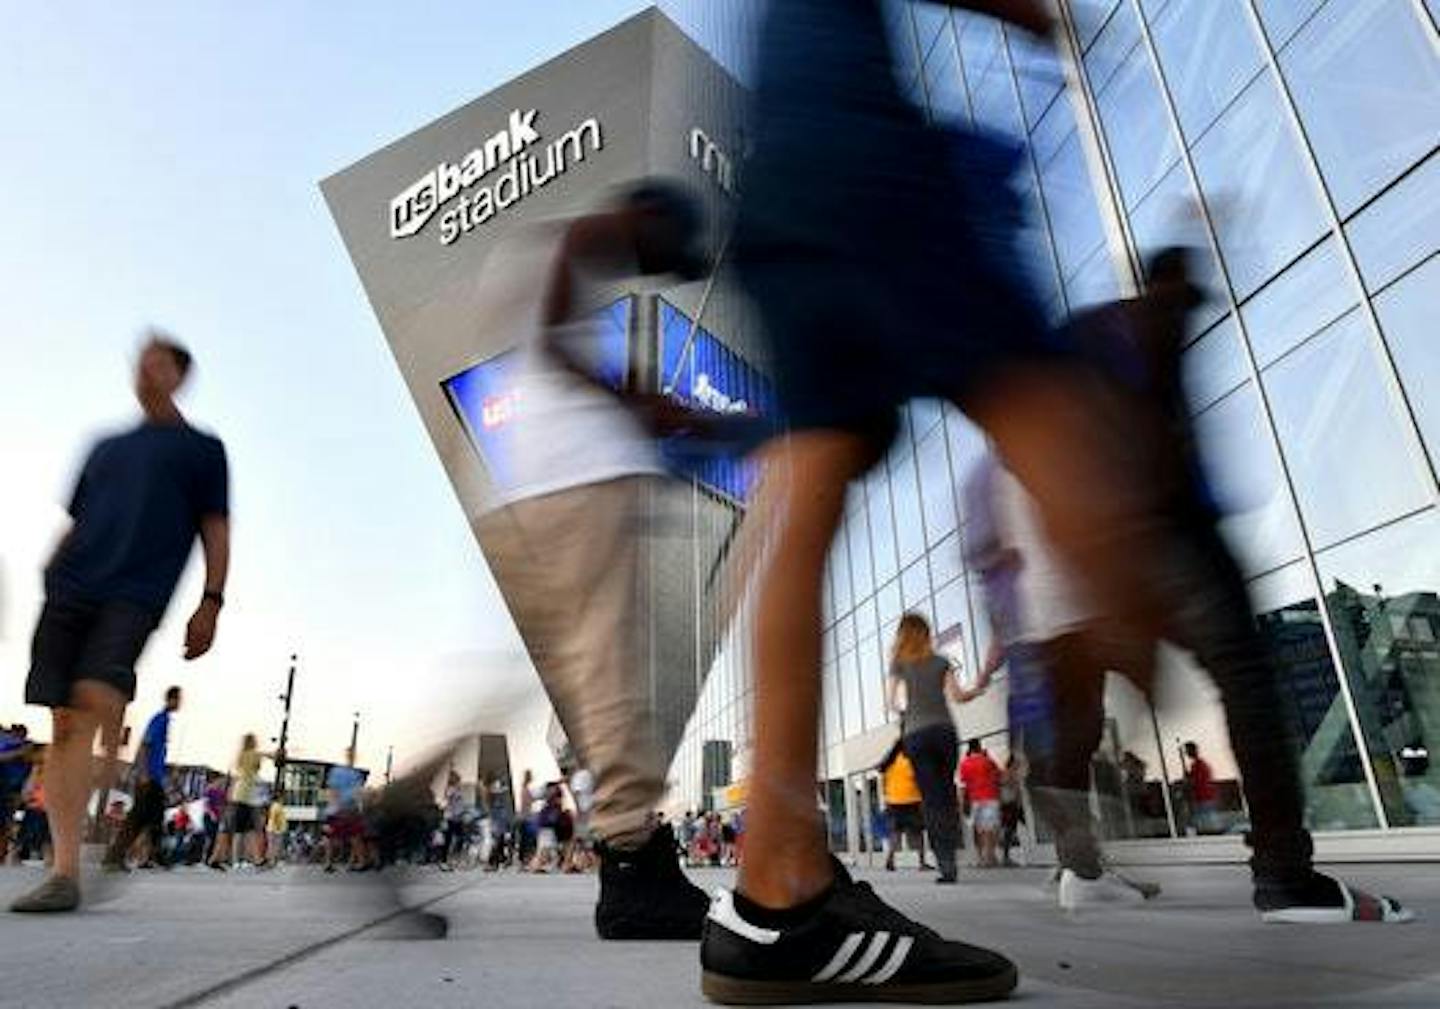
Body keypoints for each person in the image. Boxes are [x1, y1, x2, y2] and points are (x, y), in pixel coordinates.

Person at [469, 181, 721, 939]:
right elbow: (551, 344)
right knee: (614, 672)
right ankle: (634, 868)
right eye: (656, 249)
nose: (647, 265)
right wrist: (636, 407)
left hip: (530, 489)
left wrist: (645, 404)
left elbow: (549, 350)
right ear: (642, 216)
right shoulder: (575, 240)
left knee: (525, 679)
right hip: (579, 487)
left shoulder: (554, 262)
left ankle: (392, 813)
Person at [11, 334, 229, 913]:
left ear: (180, 375)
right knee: (62, 722)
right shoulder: (106, 447)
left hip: (134, 594)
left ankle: (109, 753)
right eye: (141, 362)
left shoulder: (202, 451)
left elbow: (215, 526)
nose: (145, 372)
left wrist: (211, 600)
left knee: (89, 696)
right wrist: (52, 566)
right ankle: (64, 874)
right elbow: (77, 517)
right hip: (71, 588)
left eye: (158, 363)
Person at [886, 614, 990, 884]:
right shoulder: (941, 661)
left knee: (931, 800)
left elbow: (892, 702)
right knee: (945, 795)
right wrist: (977, 689)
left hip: (917, 736)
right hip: (944, 732)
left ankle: (946, 865)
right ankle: (951, 857)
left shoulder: (900, 664)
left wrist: (908, 714)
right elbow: (958, 696)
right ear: (926, 633)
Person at [106, 686, 182, 871]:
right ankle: (115, 857)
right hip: (149, 778)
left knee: (154, 819)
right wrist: (144, 773)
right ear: (171, 699)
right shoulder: (160, 719)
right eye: (178, 699)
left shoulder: (165, 720)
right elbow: (145, 745)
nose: (180, 703)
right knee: (139, 819)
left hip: (156, 777)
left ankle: (151, 856)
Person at [209, 733, 268, 869]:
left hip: (238, 795)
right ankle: (257, 860)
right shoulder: (253, 754)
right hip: (245, 797)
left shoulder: (240, 756)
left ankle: (216, 858)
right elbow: (266, 757)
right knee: (245, 829)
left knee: (236, 829)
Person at [878, 742, 929, 873]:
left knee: (895, 832)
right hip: (911, 800)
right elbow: (918, 779)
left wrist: (888, 796)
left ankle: (890, 859)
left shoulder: (889, 763)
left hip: (893, 801)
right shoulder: (911, 760)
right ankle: (922, 863)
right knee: (917, 832)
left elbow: (884, 783)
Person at [958, 740, 1003, 869]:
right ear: (979, 748)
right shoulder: (988, 761)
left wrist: (961, 803)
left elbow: (963, 785)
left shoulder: (965, 763)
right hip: (991, 797)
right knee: (989, 828)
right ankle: (989, 856)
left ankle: (980, 857)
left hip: (974, 799)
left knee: (978, 829)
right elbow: (999, 777)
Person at [0, 724, 31, 864]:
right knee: (8, 821)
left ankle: (9, 853)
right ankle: (8, 853)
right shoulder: (8, 744)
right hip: (8, 789)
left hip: (14, 790)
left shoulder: (23, 747)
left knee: (10, 821)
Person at [1184, 742, 1220, 835]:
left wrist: (1188, 779)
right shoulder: (1199, 764)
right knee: (1205, 822)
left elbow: (1195, 782)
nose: (1187, 753)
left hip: (1204, 799)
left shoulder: (1199, 765)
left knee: (1206, 824)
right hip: (1204, 798)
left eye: (1187, 750)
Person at [998, 756, 1026, 868]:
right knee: (1008, 830)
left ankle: (1006, 856)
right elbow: (1008, 786)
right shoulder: (1008, 774)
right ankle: (1006, 857)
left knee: (1010, 829)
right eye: (1017, 763)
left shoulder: (1011, 774)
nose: (1019, 766)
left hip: (1012, 805)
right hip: (1009, 805)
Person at [264, 793, 288, 868]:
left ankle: (271, 861)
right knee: (275, 846)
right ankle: (272, 861)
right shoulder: (277, 806)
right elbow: (276, 818)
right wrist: (278, 828)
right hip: (276, 829)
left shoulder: (274, 806)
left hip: (272, 828)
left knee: (272, 845)